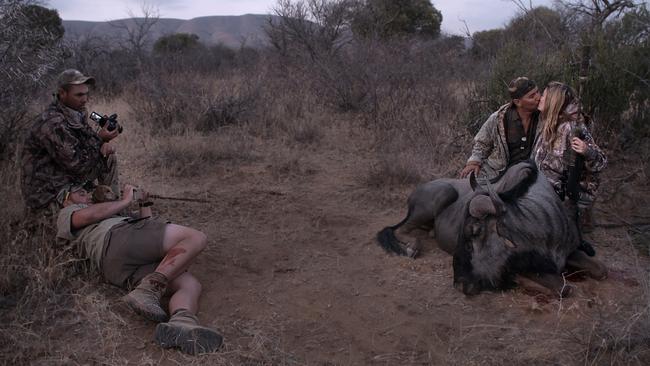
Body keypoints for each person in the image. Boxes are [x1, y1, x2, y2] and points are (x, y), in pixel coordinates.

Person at [56, 183, 222, 355]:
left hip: (116, 266)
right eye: (80, 193)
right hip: (115, 238)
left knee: (189, 283)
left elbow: (147, 226)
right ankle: (149, 289)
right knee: (195, 237)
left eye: (88, 193)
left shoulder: (111, 211)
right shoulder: (67, 212)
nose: (87, 195)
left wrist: (144, 203)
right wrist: (126, 200)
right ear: (66, 201)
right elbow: (86, 216)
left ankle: (182, 322)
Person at [21, 69, 120, 216]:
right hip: (48, 191)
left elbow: (86, 145)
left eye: (86, 94)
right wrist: (100, 139)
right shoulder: (53, 122)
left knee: (108, 157)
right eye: (79, 95)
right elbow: (77, 165)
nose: (85, 99)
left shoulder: (75, 113)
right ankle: (105, 212)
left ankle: (114, 208)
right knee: (92, 216)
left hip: (66, 178)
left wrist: (102, 142)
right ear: (62, 93)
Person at [534, 81, 606, 242]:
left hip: (564, 195)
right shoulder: (548, 122)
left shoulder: (572, 128)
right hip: (543, 188)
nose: (540, 99)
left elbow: (601, 162)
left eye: (544, 96)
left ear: (553, 102)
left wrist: (588, 152)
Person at [460, 76, 542, 179]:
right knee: (470, 182)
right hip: (500, 171)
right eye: (531, 96)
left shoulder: (545, 117)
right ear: (517, 102)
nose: (538, 97)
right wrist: (474, 162)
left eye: (538, 92)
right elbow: (482, 143)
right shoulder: (499, 118)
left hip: (533, 172)